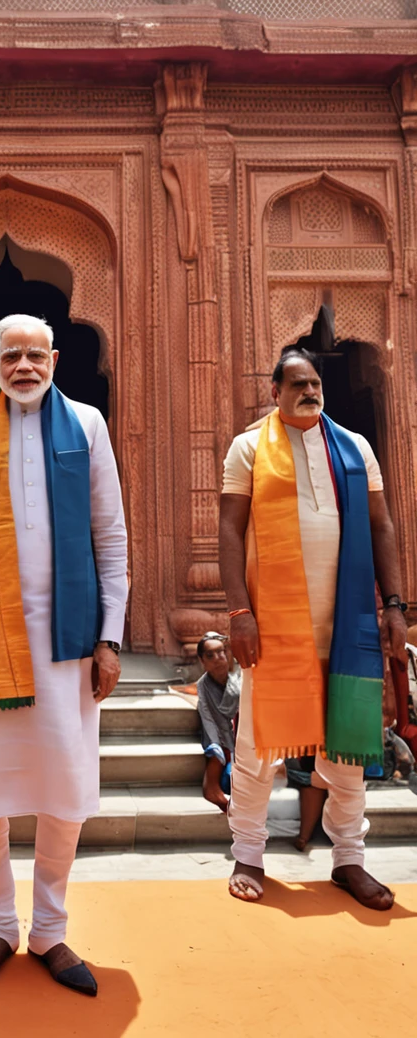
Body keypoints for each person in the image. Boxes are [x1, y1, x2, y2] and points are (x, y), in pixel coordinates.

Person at [0, 313, 128, 997]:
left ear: (55, 359)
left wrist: (111, 638)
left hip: (69, 645)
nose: (23, 367)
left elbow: (111, 534)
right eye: (10, 355)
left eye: (34, 356)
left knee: (63, 791)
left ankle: (49, 929)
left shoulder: (90, 426)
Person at [219, 346, 408, 909]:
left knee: (349, 748)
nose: (310, 391)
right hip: (275, 626)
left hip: (345, 625)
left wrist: (395, 605)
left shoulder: (354, 449)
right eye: (298, 383)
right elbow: (229, 531)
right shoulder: (249, 448)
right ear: (274, 392)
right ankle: (248, 852)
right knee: (256, 748)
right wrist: (239, 613)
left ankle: (349, 859)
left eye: (316, 383)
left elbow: (381, 525)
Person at [195, 632, 240, 813]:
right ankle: (215, 792)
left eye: (221, 652)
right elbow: (206, 715)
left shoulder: (241, 677)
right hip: (220, 732)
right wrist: (214, 743)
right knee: (217, 748)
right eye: (210, 655)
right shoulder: (202, 684)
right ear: (202, 661)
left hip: (242, 731)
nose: (217, 658)